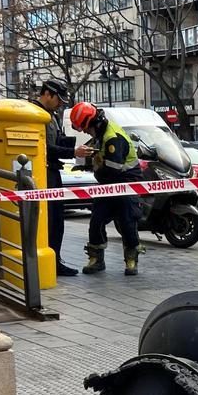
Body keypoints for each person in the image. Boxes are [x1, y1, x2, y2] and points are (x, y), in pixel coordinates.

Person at [68, 102, 145, 276]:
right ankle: (96, 259)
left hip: (126, 182)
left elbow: (112, 168)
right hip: (109, 183)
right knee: (97, 219)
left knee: (127, 220)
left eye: (85, 128)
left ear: (92, 123)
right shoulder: (101, 133)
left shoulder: (112, 138)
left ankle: (132, 258)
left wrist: (93, 167)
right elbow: (98, 156)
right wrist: (84, 163)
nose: (85, 132)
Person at [29, 79, 79, 276]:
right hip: (43, 174)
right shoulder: (35, 114)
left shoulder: (51, 115)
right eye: (58, 99)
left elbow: (55, 142)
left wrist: (71, 146)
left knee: (57, 220)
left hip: (53, 172)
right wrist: (73, 152)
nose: (61, 103)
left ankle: (54, 259)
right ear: (47, 94)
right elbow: (44, 149)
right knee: (48, 220)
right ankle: (47, 261)